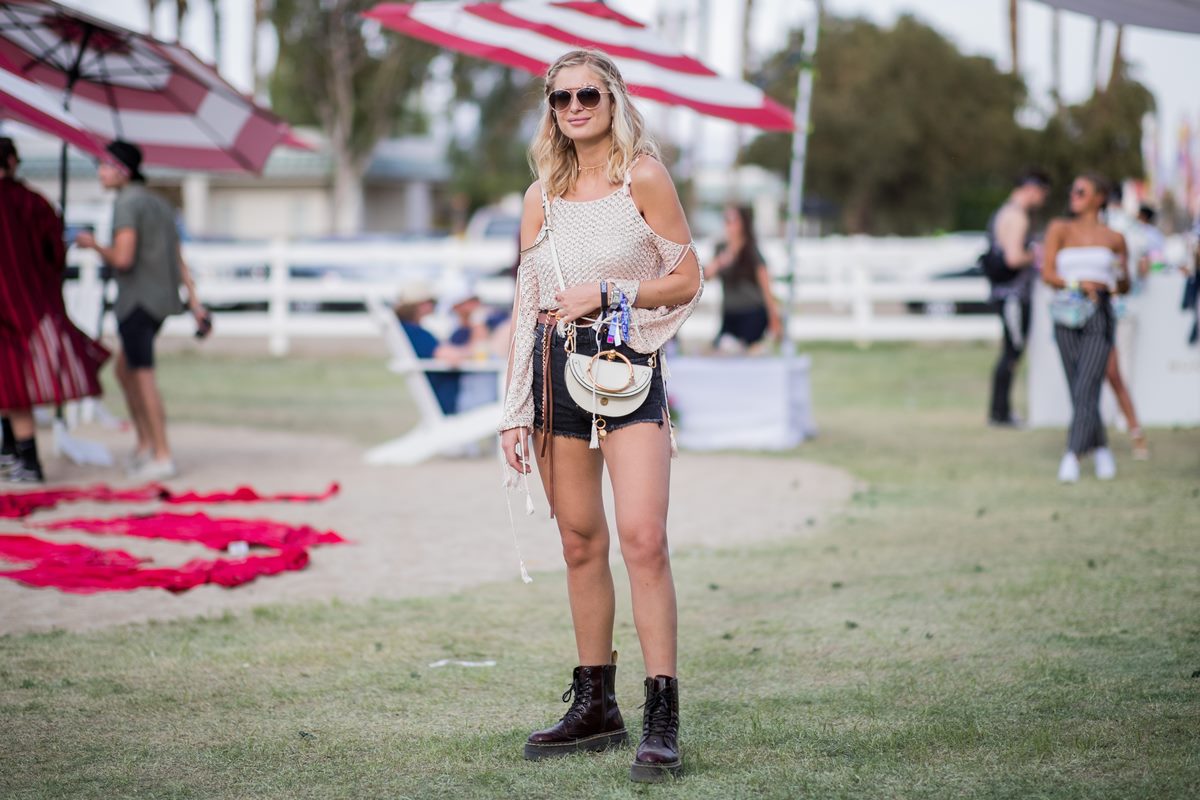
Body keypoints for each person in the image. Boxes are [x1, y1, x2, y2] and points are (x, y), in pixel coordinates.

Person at [498, 49, 702, 783]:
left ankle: (661, 714)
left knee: (644, 539)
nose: (575, 107)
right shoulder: (540, 196)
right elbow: (526, 307)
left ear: (612, 99)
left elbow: (688, 277)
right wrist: (513, 408)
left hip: (626, 368)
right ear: (550, 111)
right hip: (554, 375)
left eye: (588, 93)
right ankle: (595, 705)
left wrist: (610, 294)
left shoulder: (641, 176)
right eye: (561, 98)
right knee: (581, 543)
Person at [74, 141, 206, 481]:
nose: (100, 173)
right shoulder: (161, 204)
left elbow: (123, 258)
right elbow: (178, 258)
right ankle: (146, 445)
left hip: (138, 302)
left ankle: (161, 453)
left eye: (104, 166)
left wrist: (93, 246)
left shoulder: (126, 205)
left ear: (122, 170)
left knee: (142, 375)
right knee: (124, 371)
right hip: (161, 302)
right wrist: (194, 303)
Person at [0, 137, 108, 483]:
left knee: (10, 381)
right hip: (31, 304)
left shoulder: (30, 203)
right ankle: (16, 454)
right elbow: (56, 257)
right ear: (14, 161)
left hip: (9, 302)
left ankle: (24, 459)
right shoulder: (36, 203)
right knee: (13, 379)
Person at [1042, 173, 1130, 483]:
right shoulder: (1060, 229)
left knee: (1087, 384)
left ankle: (1072, 455)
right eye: (1073, 190)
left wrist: (1117, 277)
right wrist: (1079, 283)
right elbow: (1047, 273)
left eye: (1081, 190)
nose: (1074, 195)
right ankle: (1102, 448)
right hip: (1066, 313)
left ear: (1099, 197)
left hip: (1099, 314)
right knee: (1077, 386)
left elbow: (1124, 283)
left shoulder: (1114, 238)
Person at [983, 169, 1050, 426]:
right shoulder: (1017, 216)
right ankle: (1000, 413)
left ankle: (1000, 411)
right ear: (1033, 189)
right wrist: (1036, 255)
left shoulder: (1005, 212)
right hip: (1012, 294)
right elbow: (1013, 258)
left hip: (1006, 292)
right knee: (1012, 351)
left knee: (1011, 350)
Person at [704, 205, 782, 351]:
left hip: (752, 313)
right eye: (726, 220)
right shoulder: (721, 248)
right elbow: (706, 276)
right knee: (721, 349)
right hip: (730, 313)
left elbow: (766, 286)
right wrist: (720, 262)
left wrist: (774, 317)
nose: (728, 224)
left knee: (744, 352)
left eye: (732, 220)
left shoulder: (751, 250)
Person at [393, 283, 470, 415]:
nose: (434, 305)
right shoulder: (415, 332)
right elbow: (451, 357)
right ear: (420, 305)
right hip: (447, 397)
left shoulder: (409, 330)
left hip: (439, 392)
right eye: (431, 302)